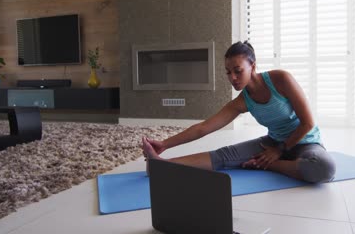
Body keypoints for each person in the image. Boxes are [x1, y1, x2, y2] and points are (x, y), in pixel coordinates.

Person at [141, 41, 336, 183]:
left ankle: (269, 164)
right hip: (273, 143)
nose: (232, 77)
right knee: (224, 155)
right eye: (228, 72)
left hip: (305, 142)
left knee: (324, 167)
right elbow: (203, 128)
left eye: (237, 70)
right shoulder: (242, 101)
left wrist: (278, 152)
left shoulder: (281, 79)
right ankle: (160, 165)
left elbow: (308, 123)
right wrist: (164, 144)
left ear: (253, 66)